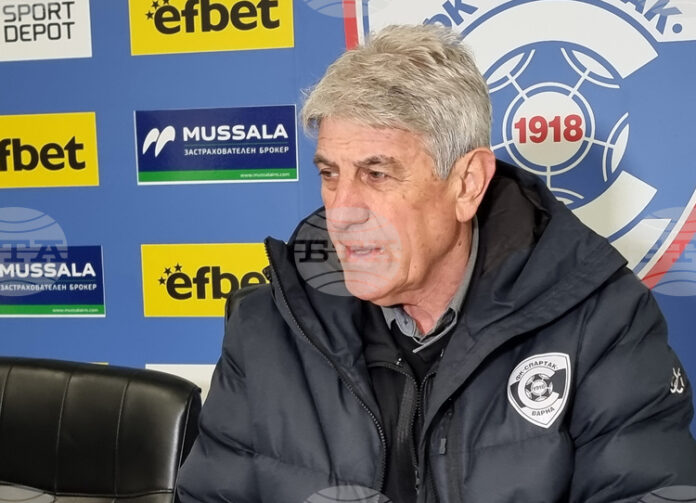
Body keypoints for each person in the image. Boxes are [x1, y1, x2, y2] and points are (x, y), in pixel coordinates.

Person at [176, 24, 696, 503]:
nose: (341, 211)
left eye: (377, 174)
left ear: (467, 184)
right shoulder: (267, 328)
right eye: (330, 174)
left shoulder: (604, 324)